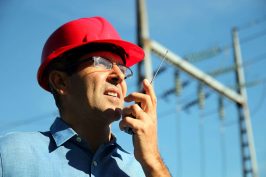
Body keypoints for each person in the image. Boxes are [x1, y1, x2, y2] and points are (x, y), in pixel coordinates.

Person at [0, 16, 171, 177]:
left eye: (122, 68)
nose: (119, 75)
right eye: (102, 62)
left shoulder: (141, 172)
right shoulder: (9, 154)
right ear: (60, 82)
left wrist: (153, 162)